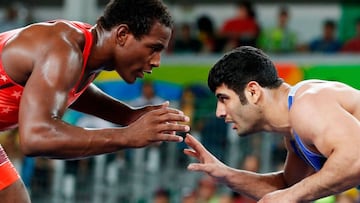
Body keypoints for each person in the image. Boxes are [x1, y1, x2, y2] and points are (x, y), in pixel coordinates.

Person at [0, 0, 190, 202]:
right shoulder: (63, 50)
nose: (157, 61)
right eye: (154, 48)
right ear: (122, 34)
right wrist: (126, 136)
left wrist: (129, 115)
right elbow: (36, 138)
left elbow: (65, 88)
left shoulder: (85, 48)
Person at [183, 45, 360, 202]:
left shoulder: (307, 103)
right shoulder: (294, 131)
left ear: (253, 92)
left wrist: (291, 195)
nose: (219, 112)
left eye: (224, 99)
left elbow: (355, 160)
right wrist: (226, 174)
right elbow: (288, 188)